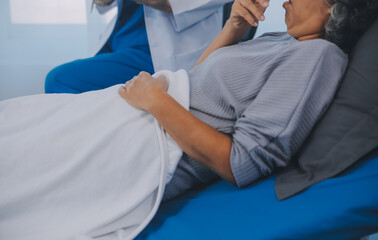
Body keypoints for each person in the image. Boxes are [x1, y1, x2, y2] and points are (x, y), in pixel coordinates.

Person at [1, 0, 377, 239]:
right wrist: (233, 28)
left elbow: (242, 162)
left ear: (334, 7)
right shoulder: (285, 42)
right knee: (20, 126)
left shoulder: (319, 58)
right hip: (139, 112)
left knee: (20, 158)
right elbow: (199, 80)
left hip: (147, 142)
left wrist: (155, 101)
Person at [44, 0, 233, 93]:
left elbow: (166, 2)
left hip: (157, 57)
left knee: (59, 80)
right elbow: (103, 5)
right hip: (120, 42)